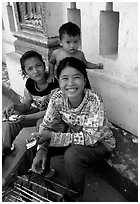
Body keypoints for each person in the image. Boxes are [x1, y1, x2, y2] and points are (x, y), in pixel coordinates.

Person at [29, 57, 116, 200]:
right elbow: (47, 125)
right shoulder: (57, 97)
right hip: (73, 136)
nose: (70, 84)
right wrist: (42, 148)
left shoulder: (95, 100)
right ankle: (38, 169)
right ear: (58, 80)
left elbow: (91, 138)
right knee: (37, 138)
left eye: (76, 77)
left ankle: (73, 195)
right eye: (64, 78)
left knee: (72, 154)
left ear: (84, 79)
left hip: (100, 143)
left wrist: (53, 137)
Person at [2, 50, 59, 162]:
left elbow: (50, 112)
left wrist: (26, 118)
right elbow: (26, 106)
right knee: (13, 120)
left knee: (40, 123)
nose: (36, 71)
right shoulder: (29, 84)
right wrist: (14, 106)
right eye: (30, 69)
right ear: (25, 72)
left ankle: (38, 159)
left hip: (52, 117)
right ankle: (5, 149)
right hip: (36, 113)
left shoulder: (54, 84)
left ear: (44, 65)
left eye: (38, 66)